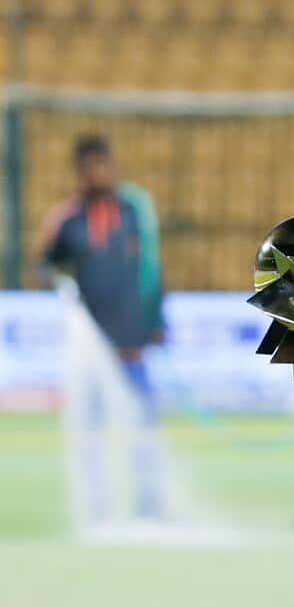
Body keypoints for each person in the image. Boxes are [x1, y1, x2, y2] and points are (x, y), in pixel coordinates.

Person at [41, 134, 166, 522]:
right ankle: (98, 508)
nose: (103, 172)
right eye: (94, 166)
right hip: (91, 353)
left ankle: (150, 506)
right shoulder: (67, 220)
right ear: (81, 172)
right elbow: (46, 265)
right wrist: (57, 278)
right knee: (91, 431)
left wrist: (156, 319)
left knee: (143, 428)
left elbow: (151, 268)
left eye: (106, 164)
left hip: (131, 344)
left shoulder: (133, 211)